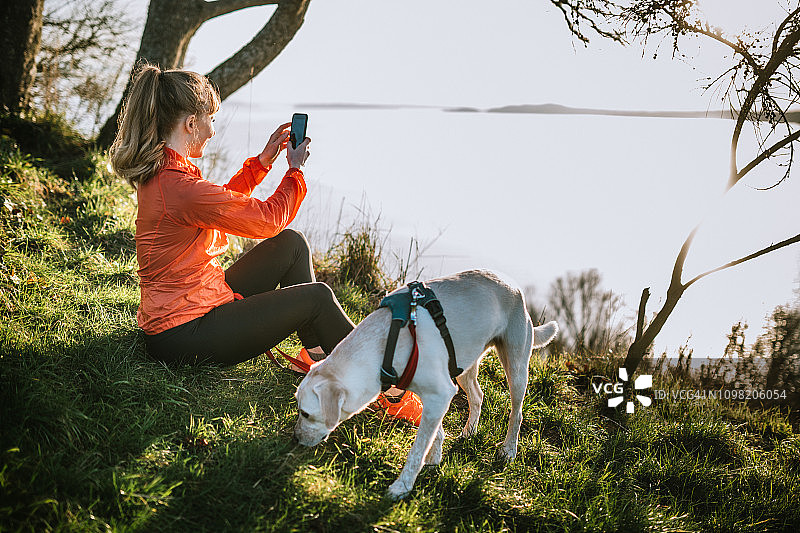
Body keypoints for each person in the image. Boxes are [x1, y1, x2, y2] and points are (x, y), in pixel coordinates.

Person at [108, 62, 422, 424]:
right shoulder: (177, 185)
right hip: (181, 334)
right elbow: (267, 220)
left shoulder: (170, 172)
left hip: (195, 302)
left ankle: (318, 354)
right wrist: (294, 170)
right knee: (317, 297)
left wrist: (262, 163)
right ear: (190, 123)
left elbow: (220, 206)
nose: (213, 130)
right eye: (210, 118)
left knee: (291, 245)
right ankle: (390, 387)